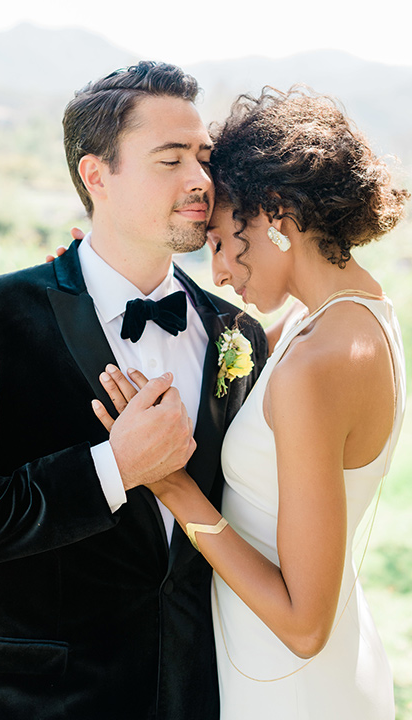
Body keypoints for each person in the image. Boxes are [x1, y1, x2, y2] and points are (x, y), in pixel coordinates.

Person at [0, 62, 268, 720]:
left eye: (203, 157)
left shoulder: (238, 333)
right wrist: (112, 469)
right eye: (170, 159)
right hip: (32, 704)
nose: (200, 180)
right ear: (97, 176)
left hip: (193, 699)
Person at [93, 87, 409, 719]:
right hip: (317, 664)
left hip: (287, 682)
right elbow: (223, 347)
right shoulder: (345, 320)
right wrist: (98, 265)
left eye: (215, 241)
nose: (218, 272)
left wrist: (172, 486)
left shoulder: (316, 365)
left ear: (273, 216)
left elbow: (301, 625)